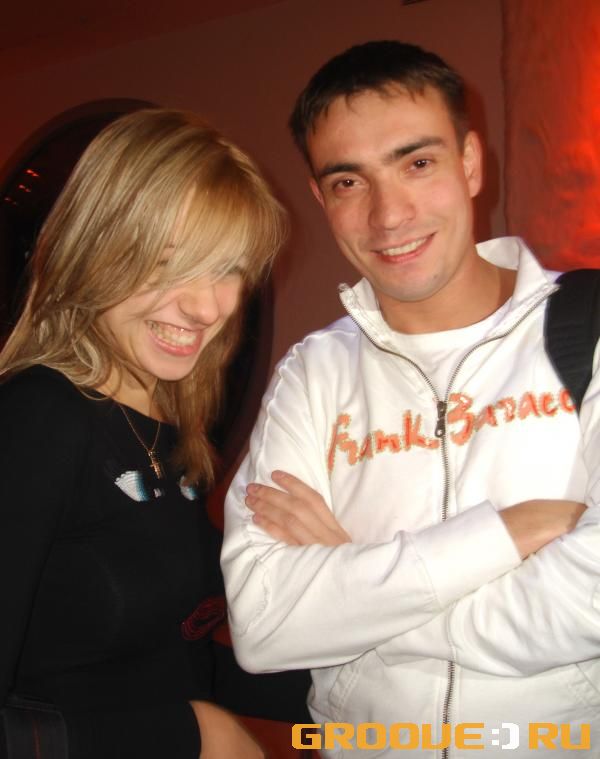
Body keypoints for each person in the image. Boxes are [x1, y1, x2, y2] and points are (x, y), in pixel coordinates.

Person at [221, 41, 600, 756]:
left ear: (470, 163)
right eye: (348, 181)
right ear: (321, 199)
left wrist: (360, 583)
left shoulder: (591, 330)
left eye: (417, 163)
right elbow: (264, 625)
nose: (389, 215)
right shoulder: (312, 375)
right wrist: (501, 536)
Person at [0, 108, 285, 759]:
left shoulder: (168, 433)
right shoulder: (37, 418)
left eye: (228, 269)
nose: (207, 306)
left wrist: (358, 692)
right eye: (167, 262)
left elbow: (165, 662)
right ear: (92, 251)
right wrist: (193, 733)